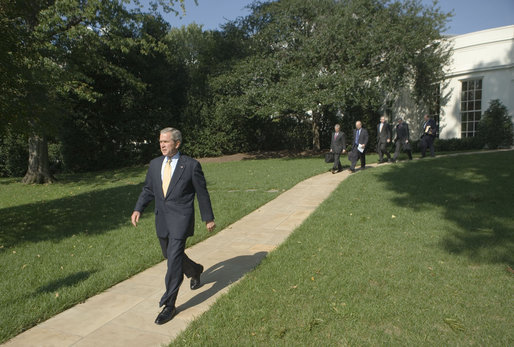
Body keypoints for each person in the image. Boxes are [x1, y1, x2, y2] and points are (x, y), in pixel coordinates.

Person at [131, 127, 216, 325]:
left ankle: (169, 304)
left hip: (181, 219)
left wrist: (208, 218)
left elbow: (202, 193)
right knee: (169, 254)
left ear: (177, 144)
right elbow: (148, 190)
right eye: (160, 141)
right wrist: (138, 209)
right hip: (162, 219)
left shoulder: (191, 165)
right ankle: (195, 270)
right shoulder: (154, 165)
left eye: (166, 142)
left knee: (174, 261)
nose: (162, 145)